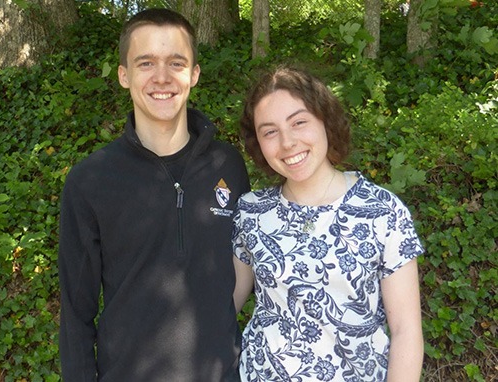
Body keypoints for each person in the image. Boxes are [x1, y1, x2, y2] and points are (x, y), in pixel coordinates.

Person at [58, 8, 250, 382]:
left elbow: (242, 266)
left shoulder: (228, 165)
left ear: (194, 74)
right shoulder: (90, 181)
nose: (162, 77)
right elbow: (75, 315)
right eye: (146, 63)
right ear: (124, 75)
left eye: (176, 62)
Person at [232, 66, 424, 382]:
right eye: (270, 131)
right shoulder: (252, 212)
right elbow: (226, 304)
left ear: (325, 120)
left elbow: (406, 331)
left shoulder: (382, 212)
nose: (287, 142)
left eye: (299, 122)